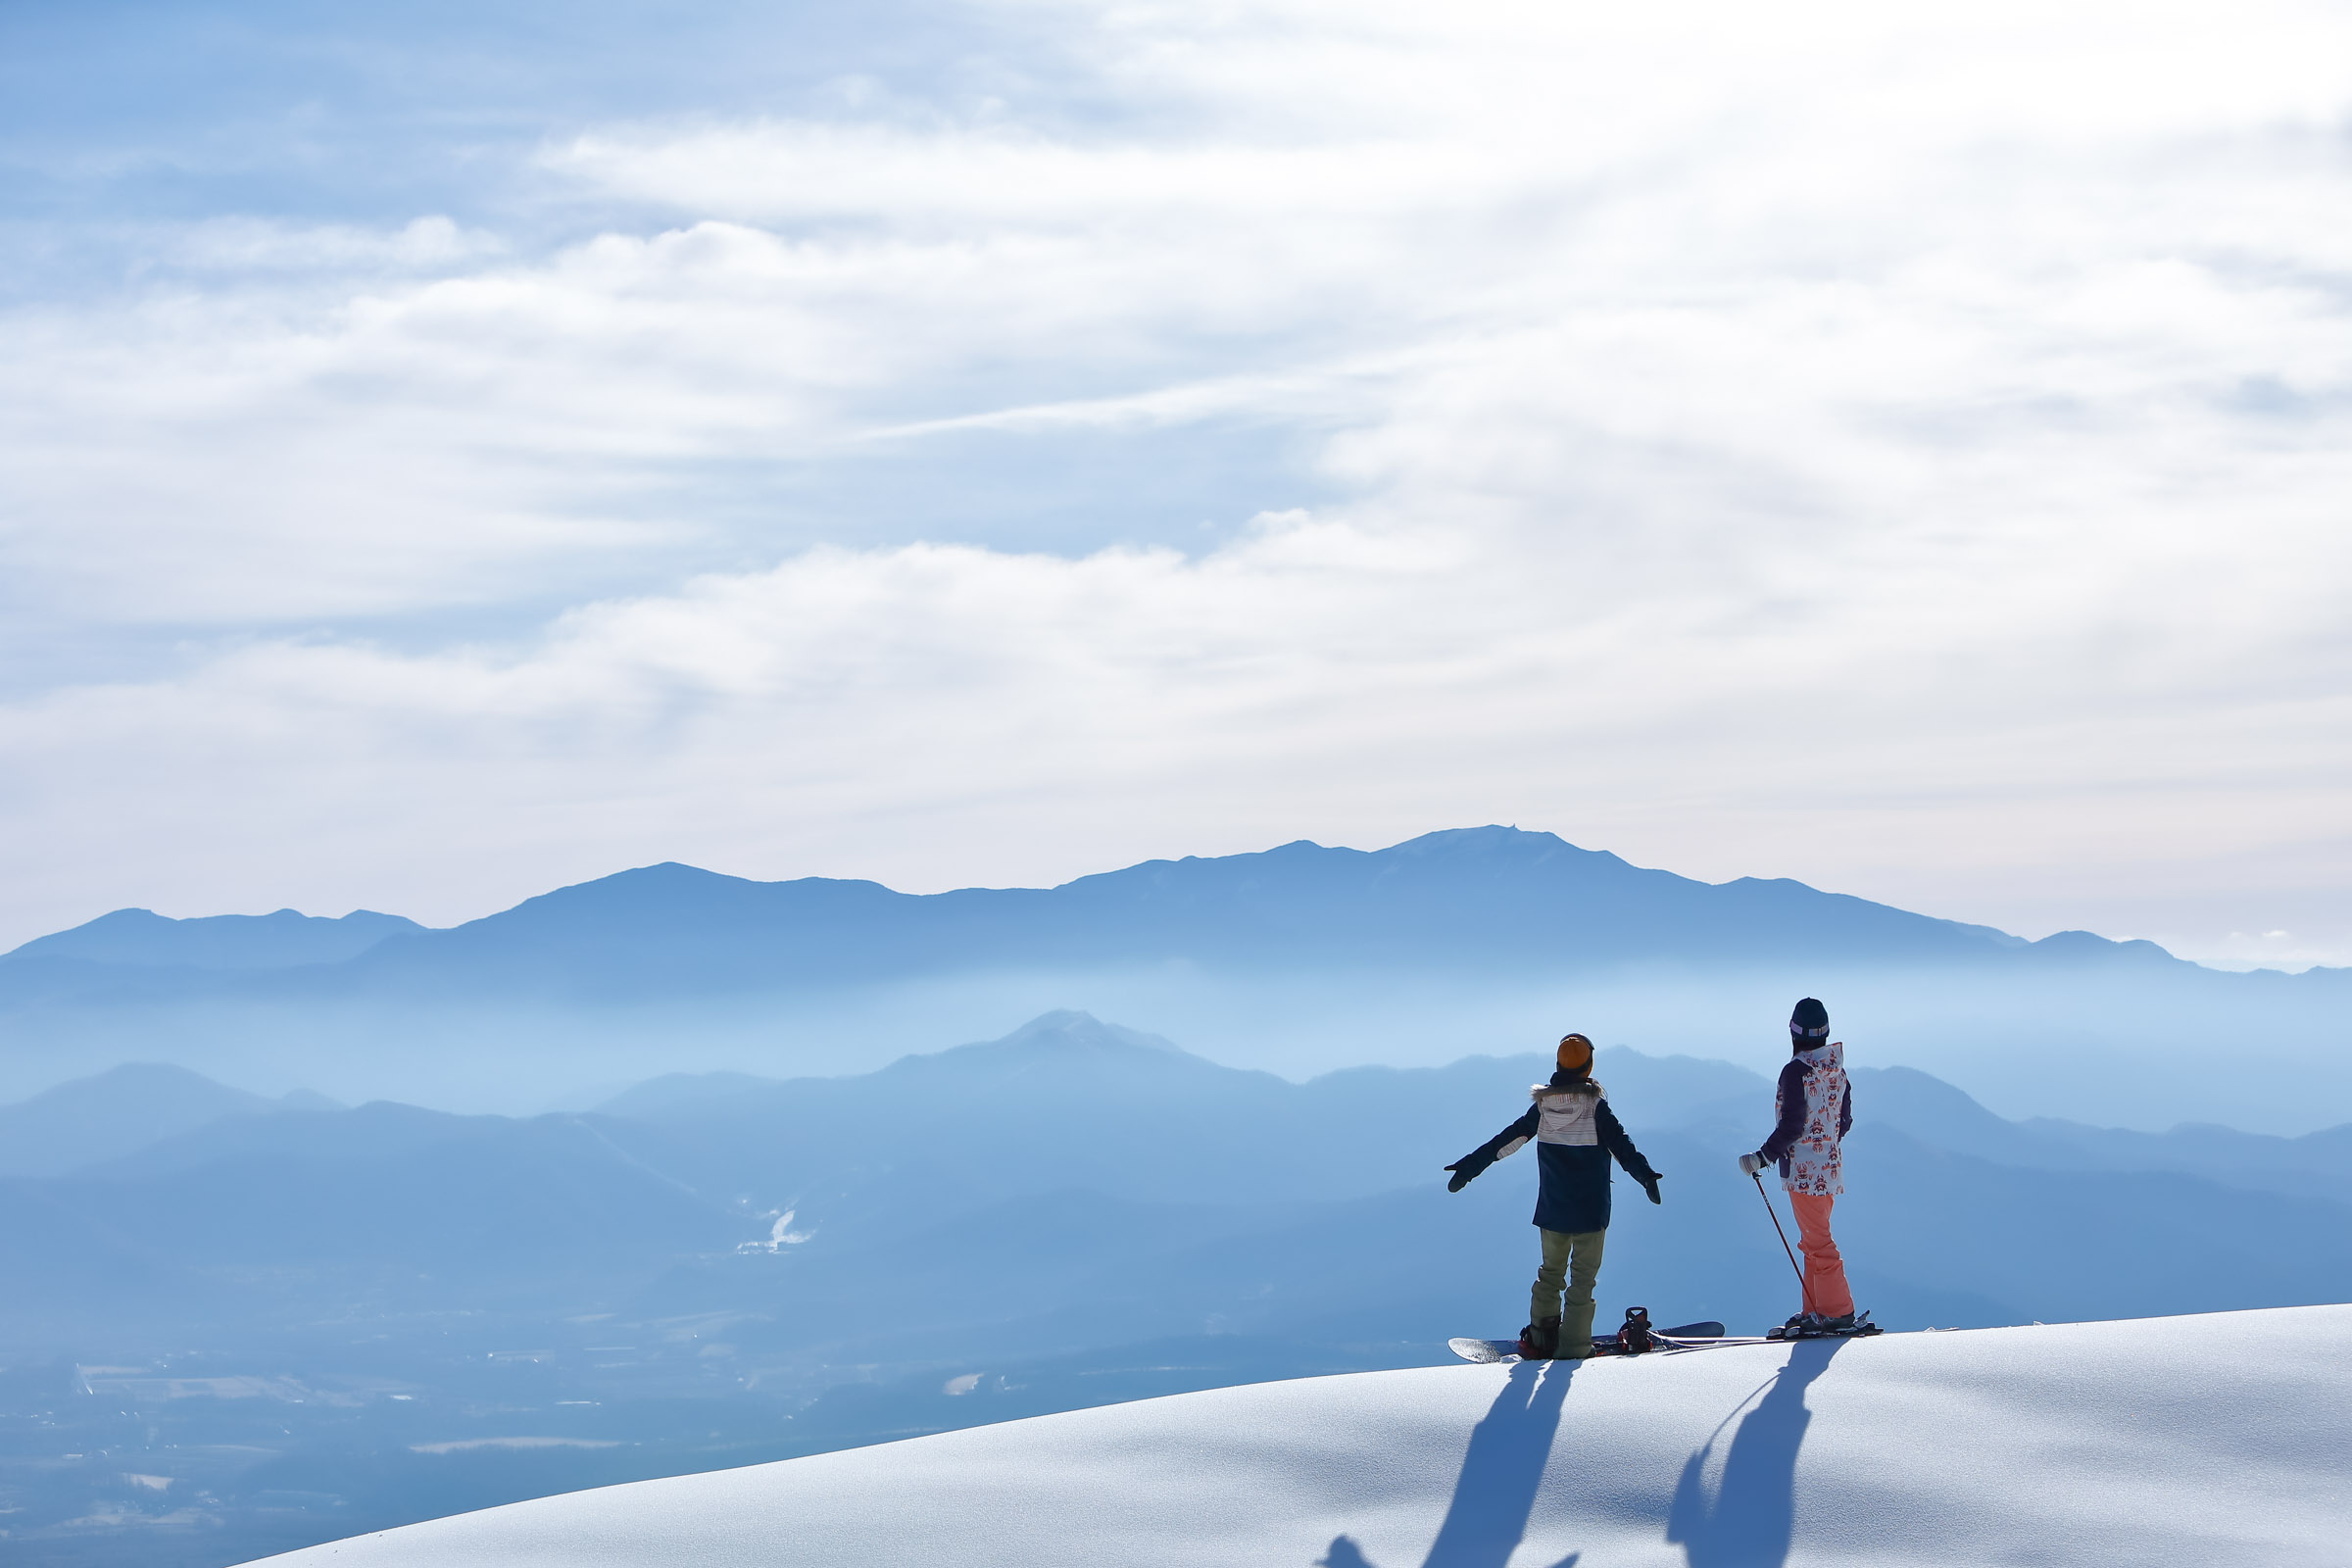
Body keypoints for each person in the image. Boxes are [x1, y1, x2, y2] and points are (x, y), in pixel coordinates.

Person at [1444, 1032, 1663, 1359]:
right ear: (1588, 1068)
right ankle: (1574, 1347)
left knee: (1549, 1275)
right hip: (1591, 1212)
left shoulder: (1543, 1108)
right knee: (1582, 1281)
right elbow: (1623, 1148)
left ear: (1559, 1065)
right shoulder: (1596, 1108)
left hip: (1552, 1210)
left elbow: (1507, 1140)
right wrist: (1646, 1176)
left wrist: (1470, 1166)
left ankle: (1541, 1339)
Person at [1738, 997, 1861, 1333]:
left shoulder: (1795, 1072)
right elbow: (1843, 1120)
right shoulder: (1836, 1068)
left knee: (1818, 1243)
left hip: (1804, 1174)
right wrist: (1825, 1148)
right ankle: (1816, 1311)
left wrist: (1762, 1157)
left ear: (1793, 1032)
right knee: (1813, 1241)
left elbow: (1791, 1125)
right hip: (1829, 1171)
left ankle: (1837, 1311)